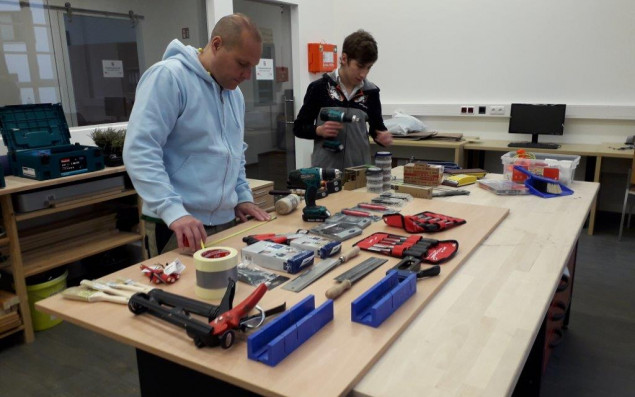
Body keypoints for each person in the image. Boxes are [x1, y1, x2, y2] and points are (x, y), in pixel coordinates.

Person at [123, 13, 270, 257]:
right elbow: (140, 150)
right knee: (176, 295)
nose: (247, 75)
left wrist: (243, 197)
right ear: (216, 45)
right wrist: (173, 211)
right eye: (242, 64)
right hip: (177, 226)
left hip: (225, 222)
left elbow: (235, 155)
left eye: (252, 67)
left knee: (225, 292)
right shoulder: (169, 77)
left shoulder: (235, 95)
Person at [293, 29, 393, 170]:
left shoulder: (371, 92)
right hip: (326, 172)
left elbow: (377, 129)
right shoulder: (319, 88)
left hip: (359, 172)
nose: (363, 74)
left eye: (368, 68)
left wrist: (382, 137)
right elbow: (299, 128)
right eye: (359, 66)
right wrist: (319, 130)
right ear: (344, 59)